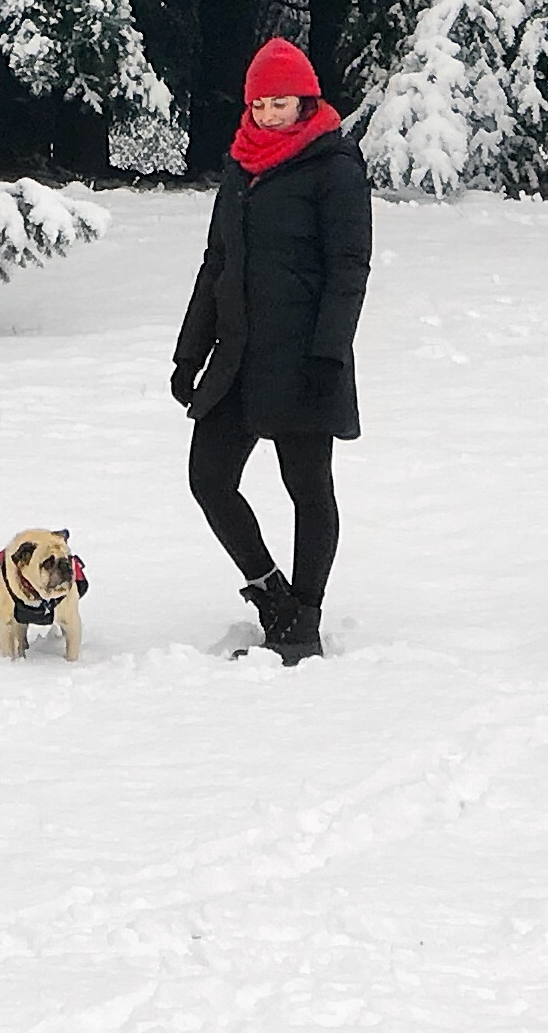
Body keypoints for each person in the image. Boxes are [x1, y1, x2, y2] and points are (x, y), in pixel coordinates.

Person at [169, 37, 372, 663]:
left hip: (306, 357)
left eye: (281, 104)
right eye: (260, 105)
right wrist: (189, 352)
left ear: (305, 100)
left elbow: (349, 269)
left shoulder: (334, 167)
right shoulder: (240, 168)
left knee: (307, 487)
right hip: (240, 358)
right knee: (209, 477)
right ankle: (271, 595)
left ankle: (304, 615)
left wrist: (328, 355)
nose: (269, 116)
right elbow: (217, 265)